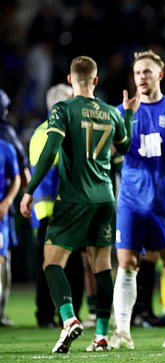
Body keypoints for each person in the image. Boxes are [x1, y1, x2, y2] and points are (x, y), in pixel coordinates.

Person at [19, 55, 138, 352]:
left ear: (71, 80)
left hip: (74, 198)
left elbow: (49, 153)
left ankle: (69, 319)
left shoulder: (63, 109)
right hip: (105, 197)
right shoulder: (111, 113)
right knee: (101, 266)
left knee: (52, 262)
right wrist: (129, 115)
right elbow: (125, 146)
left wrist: (30, 190)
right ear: (96, 81)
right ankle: (100, 335)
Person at [111, 49, 165, 350]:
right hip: (132, 200)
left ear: (160, 75)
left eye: (147, 72)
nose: (142, 77)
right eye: (137, 73)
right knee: (126, 263)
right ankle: (122, 330)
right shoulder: (122, 113)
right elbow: (108, 152)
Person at [30, 83, 89, 329]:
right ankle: (46, 316)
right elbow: (46, 173)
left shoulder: (56, 129)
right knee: (54, 266)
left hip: (65, 210)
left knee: (72, 268)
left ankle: (67, 317)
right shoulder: (47, 132)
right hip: (53, 212)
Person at [0, 88, 31, 327]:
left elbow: (19, 177)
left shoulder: (6, 143)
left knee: (3, 261)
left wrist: (10, 201)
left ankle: (0, 310)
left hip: (3, 212)